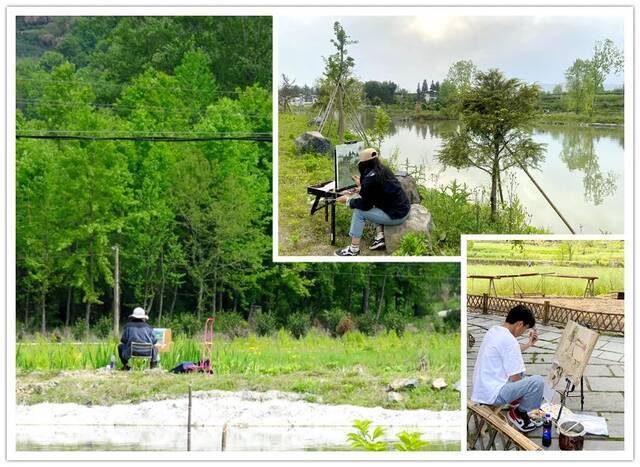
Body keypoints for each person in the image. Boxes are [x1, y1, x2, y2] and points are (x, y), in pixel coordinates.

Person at [471, 305, 543, 432]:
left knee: (519, 371)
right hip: (493, 394)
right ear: (520, 324)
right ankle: (519, 414)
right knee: (537, 383)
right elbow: (516, 379)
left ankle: (519, 403)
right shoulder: (510, 341)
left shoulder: (494, 330)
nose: (523, 333)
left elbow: (509, 352)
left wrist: (528, 344)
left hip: (481, 388)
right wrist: (528, 395)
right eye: (525, 329)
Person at [334, 148, 411, 256]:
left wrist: (347, 200)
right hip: (403, 208)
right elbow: (376, 192)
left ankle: (353, 250)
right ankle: (380, 237)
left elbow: (365, 205)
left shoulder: (371, 180)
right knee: (374, 203)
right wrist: (361, 185)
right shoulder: (383, 169)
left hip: (397, 215)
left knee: (359, 211)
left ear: (364, 163)